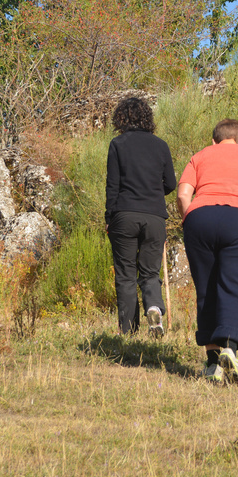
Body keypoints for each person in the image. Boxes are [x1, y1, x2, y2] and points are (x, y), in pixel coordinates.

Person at [177, 119, 238, 384]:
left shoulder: (200, 156)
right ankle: (230, 349)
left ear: (214, 141)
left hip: (199, 217)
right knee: (233, 284)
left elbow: (182, 195)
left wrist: (189, 220)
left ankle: (212, 363)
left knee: (206, 287)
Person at [105, 96, 176, 337]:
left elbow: (112, 186)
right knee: (150, 273)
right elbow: (171, 184)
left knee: (125, 275)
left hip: (124, 215)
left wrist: (109, 218)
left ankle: (128, 332)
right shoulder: (161, 145)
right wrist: (155, 190)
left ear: (121, 118)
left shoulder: (117, 144)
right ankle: (154, 308)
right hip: (155, 217)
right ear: (148, 117)